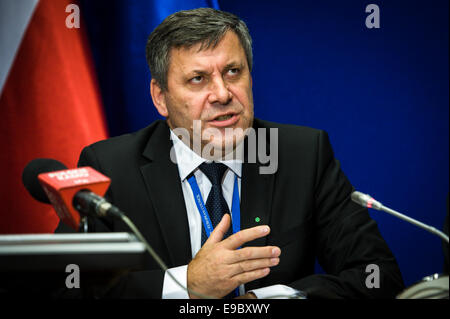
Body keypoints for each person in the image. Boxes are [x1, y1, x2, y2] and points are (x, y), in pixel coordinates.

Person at [56, 8, 404, 299]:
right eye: (198, 79)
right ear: (160, 97)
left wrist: (264, 301)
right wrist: (186, 284)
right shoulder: (111, 167)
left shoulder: (302, 155)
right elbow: (68, 284)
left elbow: (377, 276)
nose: (222, 94)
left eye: (233, 72)